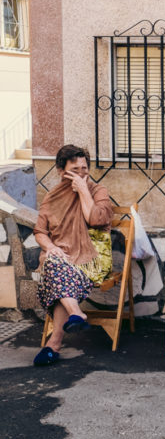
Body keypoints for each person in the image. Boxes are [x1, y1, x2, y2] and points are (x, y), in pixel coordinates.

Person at [32, 145, 114, 366]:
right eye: (75, 170)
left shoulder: (98, 191)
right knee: (54, 260)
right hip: (62, 257)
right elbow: (40, 232)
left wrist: (83, 190)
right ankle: (75, 314)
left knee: (55, 269)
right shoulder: (52, 197)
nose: (81, 174)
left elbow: (97, 219)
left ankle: (54, 343)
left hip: (92, 258)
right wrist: (50, 246)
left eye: (84, 169)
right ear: (61, 171)